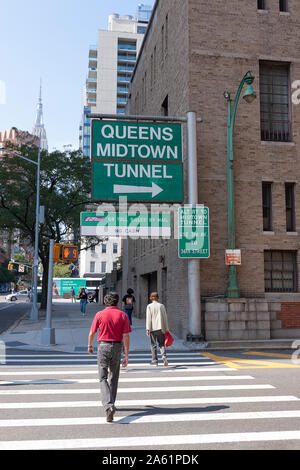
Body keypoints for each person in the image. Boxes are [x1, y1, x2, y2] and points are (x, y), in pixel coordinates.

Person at [88, 291, 131, 423]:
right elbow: (126, 336)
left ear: (105, 302)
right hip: (117, 347)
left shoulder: (100, 314)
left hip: (103, 346)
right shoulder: (123, 315)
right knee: (114, 377)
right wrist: (127, 355)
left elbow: (92, 332)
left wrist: (90, 345)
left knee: (102, 377)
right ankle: (111, 404)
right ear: (117, 302)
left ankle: (108, 406)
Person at [146, 292, 169, 367]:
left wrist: (148, 328)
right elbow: (165, 318)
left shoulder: (149, 306)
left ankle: (155, 361)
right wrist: (166, 329)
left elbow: (148, 319)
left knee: (153, 345)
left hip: (152, 328)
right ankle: (164, 356)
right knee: (161, 344)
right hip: (161, 327)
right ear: (158, 298)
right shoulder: (161, 306)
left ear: (151, 298)